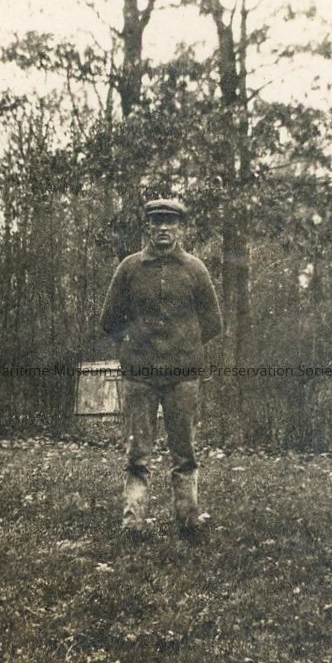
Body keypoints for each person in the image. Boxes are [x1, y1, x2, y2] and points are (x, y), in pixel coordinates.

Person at [99, 197, 223, 540]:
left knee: (185, 453)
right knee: (137, 453)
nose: (164, 229)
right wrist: (135, 346)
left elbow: (213, 322)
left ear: (180, 228)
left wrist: (184, 347)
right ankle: (133, 524)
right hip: (140, 376)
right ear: (147, 227)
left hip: (183, 377)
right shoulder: (129, 268)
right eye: (157, 222)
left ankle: (188, 521)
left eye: (171, 222)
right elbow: (109, 320)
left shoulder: (195, 269)